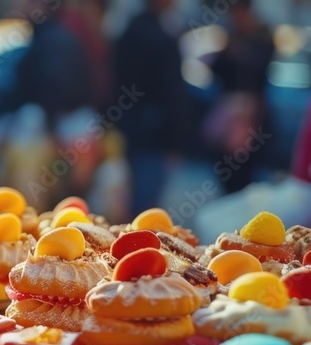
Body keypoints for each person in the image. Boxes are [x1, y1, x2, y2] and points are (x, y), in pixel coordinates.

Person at [112, 0, 190, 215]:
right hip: (155, 136)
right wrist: (177, 141)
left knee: (133, 204)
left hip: (132, 131)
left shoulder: (128, 32)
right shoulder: (160, 37)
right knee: (145, 208)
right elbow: (174, 94)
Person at [206, 0, 275, 194]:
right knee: (226, 171)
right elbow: (216, 71)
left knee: (246, 173)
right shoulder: (229, 37)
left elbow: (260, 70)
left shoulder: (262, 38)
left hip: (253, 117)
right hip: (228, 115)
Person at [12, 0, 94, 127]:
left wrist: (49, 125)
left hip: (61, 125)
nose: (21, 7)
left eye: (29, 2)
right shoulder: (46, 35)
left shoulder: (54, 40)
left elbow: (59, 87)